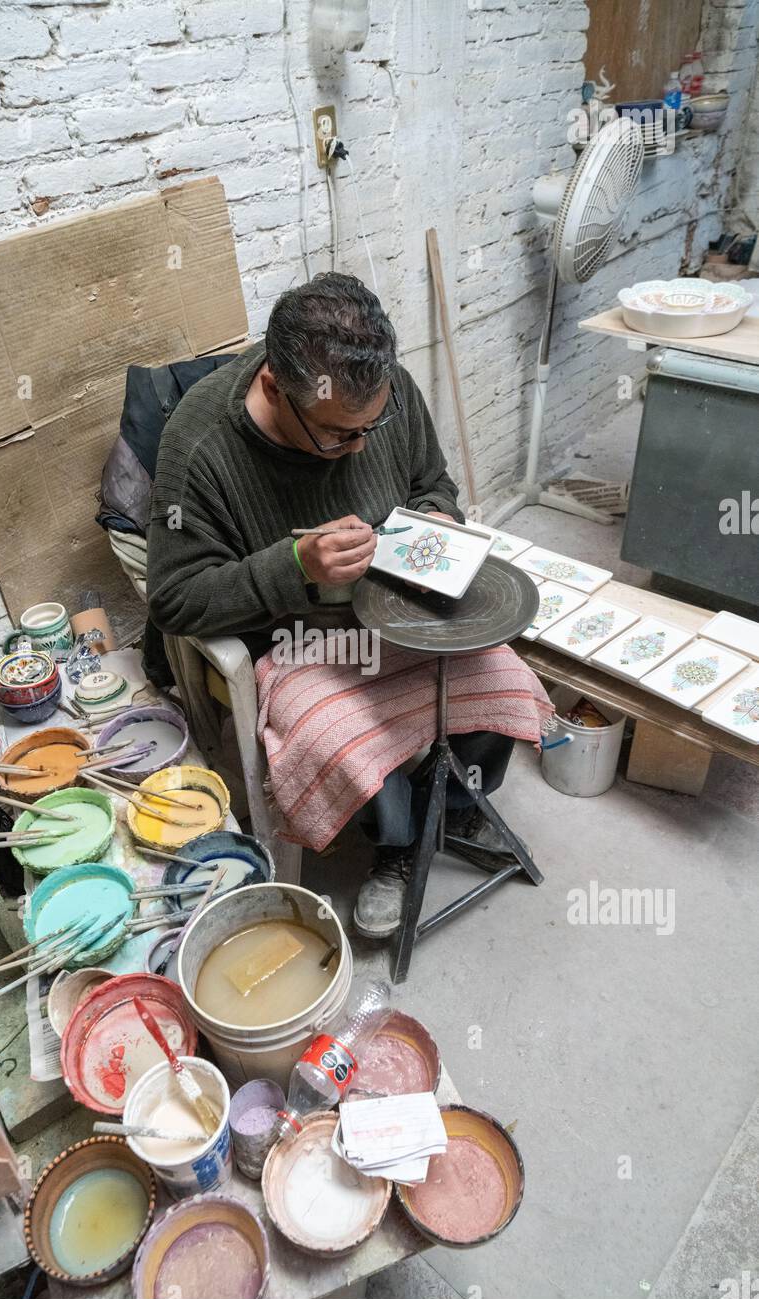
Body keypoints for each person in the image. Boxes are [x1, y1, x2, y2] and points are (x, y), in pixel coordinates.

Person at [148, 272, 544, 938]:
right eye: (339, 436)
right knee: (346, 734)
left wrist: (434, 519)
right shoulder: (200, 449)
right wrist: (293, 566)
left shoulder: (377, 393)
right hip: (300, 639)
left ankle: (458, 797)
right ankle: (397, 846)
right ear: (275, 387)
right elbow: (174, 600)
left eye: (373, 425)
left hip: (406, 605)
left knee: (504, 676)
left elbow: (432, 482)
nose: (361, 447)